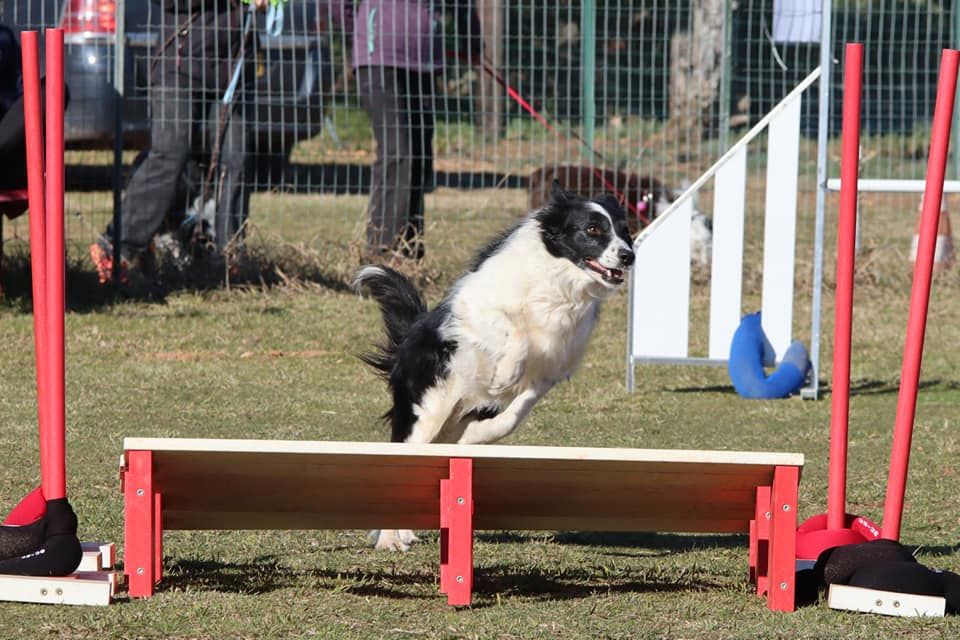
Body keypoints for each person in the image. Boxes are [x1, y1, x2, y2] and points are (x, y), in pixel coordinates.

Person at [89, 0, 265, 284]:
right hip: (181, 62)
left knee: (236, 159)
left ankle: (229, 258)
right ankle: (116, 245)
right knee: (170, 153)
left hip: (234, 65)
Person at [350, 0, 482, 262]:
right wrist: (361, 35)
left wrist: (472, 41)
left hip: (424, 61)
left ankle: (409, 251)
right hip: (378, 56)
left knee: (419, 155)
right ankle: (383, 249)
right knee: (397, 151)